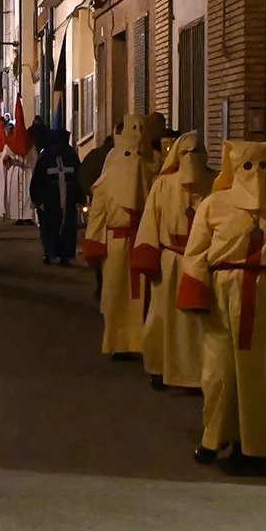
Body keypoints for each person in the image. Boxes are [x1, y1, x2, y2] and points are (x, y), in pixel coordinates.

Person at [178, 140, 266, 473]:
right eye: (248, 166)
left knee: (260, 373)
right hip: (222, 296)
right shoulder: (214, 204)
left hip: (265, 298)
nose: (255, 173)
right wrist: (196, 293)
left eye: (261, 166)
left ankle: (253, 443)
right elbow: (195, 253)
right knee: (220, 373)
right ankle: (215, 438)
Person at [134, 132, 215, 391]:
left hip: (202, 262)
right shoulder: (163, 185)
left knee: (199, 324)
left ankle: (202, 374)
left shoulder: (215, 183)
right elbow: (150, 221)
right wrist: (147, 257)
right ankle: (160, 368)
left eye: (196, 151)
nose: (191, 158)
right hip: (170, 263)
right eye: (186, 153)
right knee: (163, 318)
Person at [83, 116, 150, 359]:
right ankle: (121, 342)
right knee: (119, 296)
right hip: (122, 243)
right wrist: (94, 244)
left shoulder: (151, 173)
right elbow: (99, 214)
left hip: (134, 242)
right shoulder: (145, 174)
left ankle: (138, 342)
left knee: (137, 297)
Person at [30, 126, 82, 265]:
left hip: (63, 196)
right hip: (52, 197)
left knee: (63, 227)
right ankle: (52, 253)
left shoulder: (69, 155)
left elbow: (78, 175)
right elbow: (38, 178)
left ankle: (59, 254)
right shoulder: (50, 155)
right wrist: (37, 198)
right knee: (52, 226)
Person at [1, 104, 37, 226]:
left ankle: (25, 216)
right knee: (21, 195)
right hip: (25, 171)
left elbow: (4, 159)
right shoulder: (30, 145)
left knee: (25, 194)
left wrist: (13, 162)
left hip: (17, 172)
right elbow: (35, 160)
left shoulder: (11, 144)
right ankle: (21, 216)